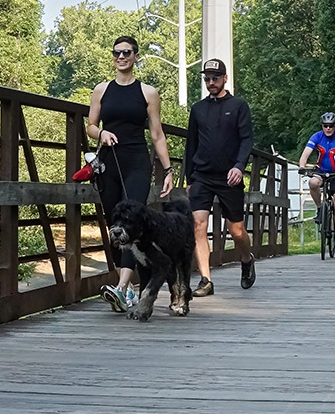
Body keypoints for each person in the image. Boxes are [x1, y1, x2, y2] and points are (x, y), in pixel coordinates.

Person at [88, 35, 175, 312]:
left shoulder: (148, 92)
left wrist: (168, 169)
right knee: (113, 223)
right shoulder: (101, 89)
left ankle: (123, 287)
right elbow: (89, 125)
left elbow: (157, 134)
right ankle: (124, 289)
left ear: (136, 56)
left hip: (137, 161)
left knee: (131, 220)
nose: (121, 57)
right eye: (117, 53)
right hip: (108, 162)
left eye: (126, 52)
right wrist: (102, 132)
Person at [186, 58, 256, 297]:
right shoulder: (197, 109)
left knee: (236, 231)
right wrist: (189, 179)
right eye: (207, 78)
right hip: (202, 175)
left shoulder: (238, 106)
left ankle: (246, 259)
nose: (211, 82)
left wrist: (239, 166)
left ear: (225, 78)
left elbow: (246, 140)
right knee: (198, 225)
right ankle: (205, 279)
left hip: (230, 176)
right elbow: (191, 144)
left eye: (215, 78)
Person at [298, 112, 335, 250]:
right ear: (322, 126)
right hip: (321, 170)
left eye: (331, 126)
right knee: (312, 183)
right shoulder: (317, 136)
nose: (328, 128)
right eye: (325, 126)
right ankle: (319, 209)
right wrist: (301, 166)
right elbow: (305, 153)